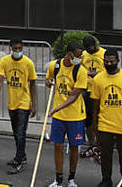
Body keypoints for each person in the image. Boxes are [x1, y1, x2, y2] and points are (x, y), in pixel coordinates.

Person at [91, 49, 122, 187]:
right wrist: (95, 126)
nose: (109, 63)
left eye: (112, 61)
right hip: (104, 125)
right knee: (106, 156)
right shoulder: (98, 78)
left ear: (117, 61)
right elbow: (96, 104)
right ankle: (106, 180)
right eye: (106, 61)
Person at [46, 41, 89, 187]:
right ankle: (58, 178)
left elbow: (74, 96)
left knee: (74, 147)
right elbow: (48, 79)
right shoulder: (55, 65)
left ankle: (71, 179)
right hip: (59, 117)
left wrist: (56, 109)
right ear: (69, 54)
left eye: (81, 55)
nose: (80, 58)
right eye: (78, 55)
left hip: (75, 116)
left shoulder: (81, 71)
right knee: (57, 145)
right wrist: (49, 81)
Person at [0, 38, 37, 174]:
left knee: (20, 133)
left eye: (20, 49)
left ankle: (19, 161)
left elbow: (33, 84)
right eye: (15, 49)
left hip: (24, 102)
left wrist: (33, 104)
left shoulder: (28, 63)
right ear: (10, 48)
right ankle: (21, 156)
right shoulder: (5, 61)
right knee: (16, 133)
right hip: (12, 102)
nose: (17, 51)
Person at [80, 36, 106, 161]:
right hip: (86, 90)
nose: (88, 51)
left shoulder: (103, 53)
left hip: (100, 91)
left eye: (89, 48)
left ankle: (101, 146)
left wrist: (96, 75)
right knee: (88, 120)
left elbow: (108, 71)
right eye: (86, 49)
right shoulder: (84, 55)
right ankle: (92, 145)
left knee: (99, 119)